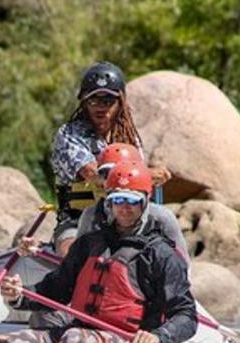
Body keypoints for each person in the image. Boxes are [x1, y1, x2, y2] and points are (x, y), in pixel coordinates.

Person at [0, 161, 196, 343]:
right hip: (78, 335)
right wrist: (20, 295)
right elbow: (56, 289)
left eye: (132, 201)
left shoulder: (161, 254)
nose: (124, 208)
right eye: (118, 200)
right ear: (109, 202)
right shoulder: (89, 244)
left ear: (145, 201)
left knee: (74, 341)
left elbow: (186, 315)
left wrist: (159, 337)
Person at [50, 61, 171, 255]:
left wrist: (154, 178)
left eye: (107, 100)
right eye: (93, 100)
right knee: (71, 252)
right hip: (78, 221)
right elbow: (92, 173)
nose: (100, 107)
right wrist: (146, 175)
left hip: (128, 219)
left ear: (120, 102)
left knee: (167, 233)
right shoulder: (69, 135)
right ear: (84, 102)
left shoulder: (129, 138)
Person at [76, 144, 189, 262]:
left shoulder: (161, 218)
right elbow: (76, 259)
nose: (114, 179)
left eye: (123, 172)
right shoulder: (92, 214)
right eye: (106, 174)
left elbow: (182, 264)